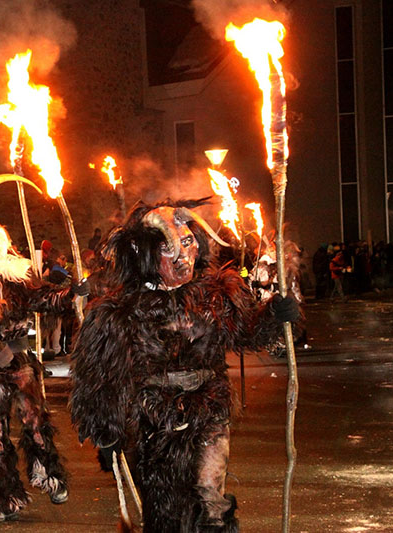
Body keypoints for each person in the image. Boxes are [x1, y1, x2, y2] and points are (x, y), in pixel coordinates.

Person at [69, 200, 300, 531]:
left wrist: (274, 316)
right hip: (153, 420)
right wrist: (107, 436)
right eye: (168, 248)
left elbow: (246, 334)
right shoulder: (119, 311)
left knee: (210, 499)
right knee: (164, 510)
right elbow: (101, 379)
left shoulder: (215, 293)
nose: (183, 257)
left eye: (188, 242)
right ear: (145, 254)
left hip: (208, 411)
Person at [0, 175, 87, 523]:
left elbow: (46, 299)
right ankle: (3, 497)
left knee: (35, 425)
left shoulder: (16, 277)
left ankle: (50, 476)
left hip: (19, 365)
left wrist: (73, 292)